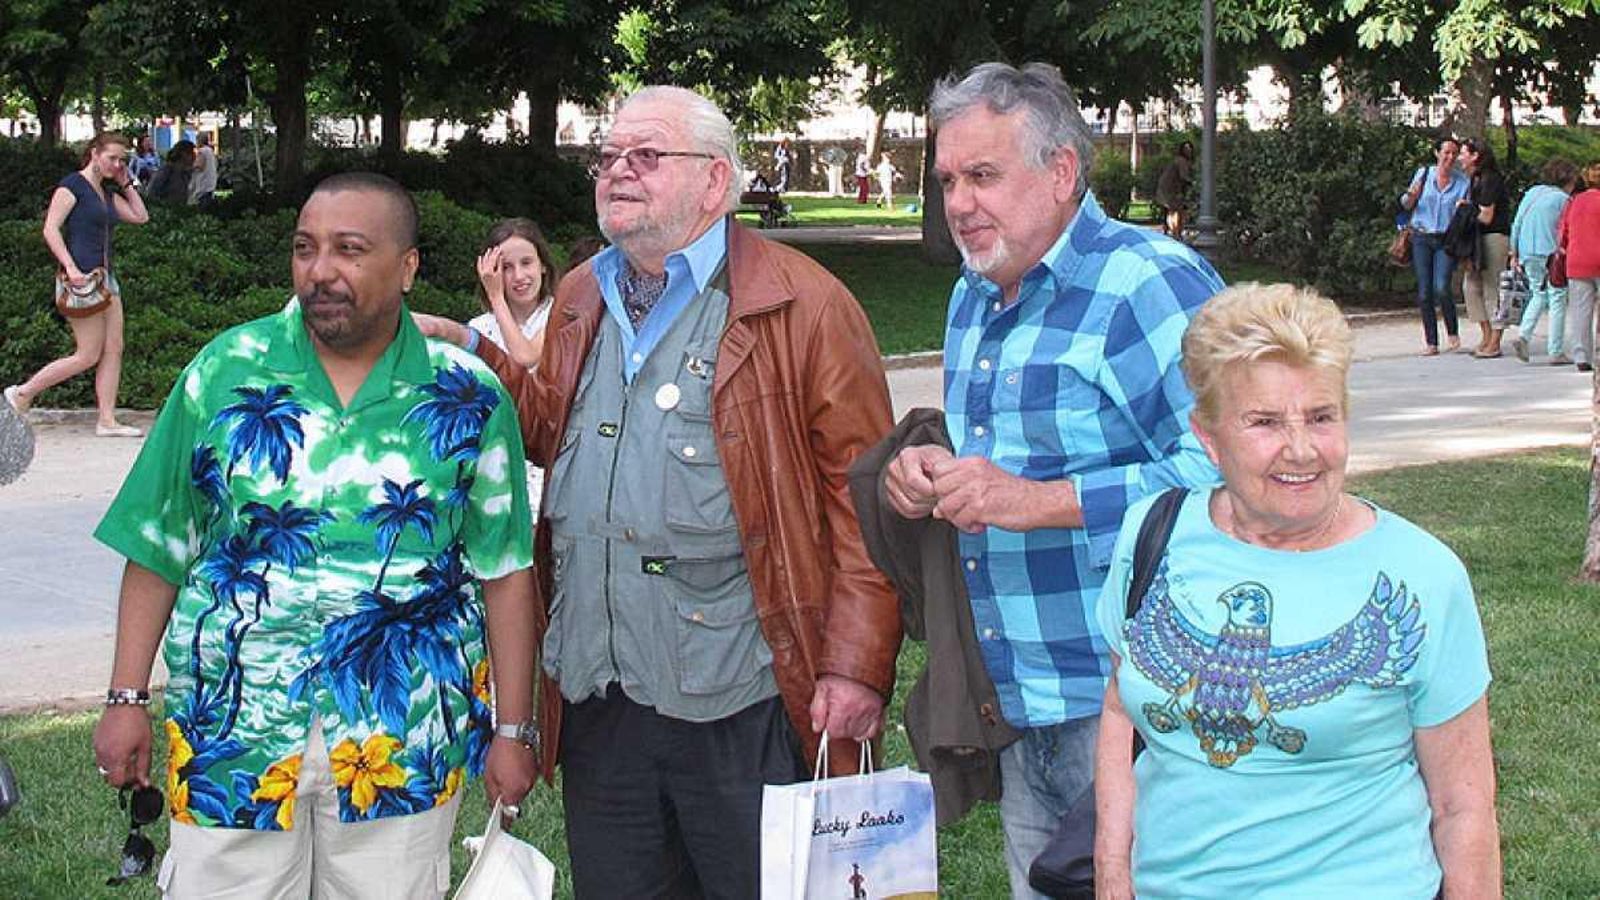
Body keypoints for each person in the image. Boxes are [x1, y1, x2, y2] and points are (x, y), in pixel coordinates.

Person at [416, 86, 901, 897]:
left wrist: (853, 668)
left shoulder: (803, 305)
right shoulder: (581, 293)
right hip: (600, 700)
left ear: (715, 181)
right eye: (609, 158)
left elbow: (866, 503)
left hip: (742, 700)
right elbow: (551, 432)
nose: (617, 172)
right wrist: (473, 347)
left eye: (646, 156)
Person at [89, 173, 539, 899]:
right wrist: (125, 697)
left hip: (405, 732)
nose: (320, 270)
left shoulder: (467, 395)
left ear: (408, 267)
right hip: (232, 729)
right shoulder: (224, 373)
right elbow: (158, 543)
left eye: (349, 249)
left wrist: (513, 731)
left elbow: (506, 570)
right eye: (305, 248)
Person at [882, 62, 1223, 900]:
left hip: (1139, 703)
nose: (959, 202)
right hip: (1020, 695)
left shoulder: (1148, 282)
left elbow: (1228, 479)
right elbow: (995, 461)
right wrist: (926, 474)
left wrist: (1036, 503)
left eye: (983, 176)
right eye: (950, 180)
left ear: (1062, 171)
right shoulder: (975, 292)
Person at [1093, 282, 1500, 898]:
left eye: (1320, 416)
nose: (1302, 450)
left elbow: (1463, 808)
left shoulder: (1422, 575)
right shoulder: (1153, 534)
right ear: (1208, 437)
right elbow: (1122, 708)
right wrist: (1112, 874)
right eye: (1264, 422)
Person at [5, 132, 149, 437]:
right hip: (81, 279)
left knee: (114, 348)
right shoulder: (73, 185)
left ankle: (107, 420)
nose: (116, 164)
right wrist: (70, 266)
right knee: (87, 354)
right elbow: (51, 228)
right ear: (94, 153)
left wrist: (126, 182)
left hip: (106, 279)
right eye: (112, 158)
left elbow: (140, 216)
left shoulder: (107, 192)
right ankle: (22, 393)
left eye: (122, 159)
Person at [468, 217, 561, 519]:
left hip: (544, 460)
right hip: (490, 460)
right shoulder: (478, 329)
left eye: (527, 263)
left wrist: (496, 296)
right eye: (506, 268)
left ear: (543, 265)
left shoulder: (564, 315)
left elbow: (524, 358)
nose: (519, 276)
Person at [1399, 137, 1470, 355]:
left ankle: (1452, 331)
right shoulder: (1424, 174)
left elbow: (1466, 213)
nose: (1449, 158)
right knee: (1424, 292)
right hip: (1422, 236)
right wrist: (1412, 195)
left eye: (1454, 153)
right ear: (1437, 154)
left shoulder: (1462, 182)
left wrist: (1464, 208)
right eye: (1446, 152)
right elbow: (1405, 204)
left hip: (1446, 239)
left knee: (1441, 286)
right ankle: (1431, 341)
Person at [1508, 157, 1580, 365]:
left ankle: (1524, 335)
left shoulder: (1533, 193)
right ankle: (1555, 350)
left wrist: (1514, 252)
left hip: (1526, 250)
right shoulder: (1563, 200)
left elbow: (1517, 222)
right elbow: (1567, 229)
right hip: (1550, 252)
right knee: (1557, 296)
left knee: (1539, 294)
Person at [1460, 138, 1512, 357]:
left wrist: (1465, 210)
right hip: (1476, 238)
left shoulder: (1490, 179)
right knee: (1471, 286)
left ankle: (1495, 340)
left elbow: (1486, 216)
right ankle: (1486, 333)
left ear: (1475, 156)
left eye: (1463, 153)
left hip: (1492, 237)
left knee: (1492, 288)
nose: (1460, 157)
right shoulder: (1474, 179)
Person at [1562, 162, 1600, 373]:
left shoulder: (1575, 201)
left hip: (1577, 261)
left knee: (1580, 310)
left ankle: (1581, 355)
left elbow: (1564, 231)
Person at [1154, 141, 1195, 239]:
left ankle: (1173, 232)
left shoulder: (1178, 160)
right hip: (1170, 190)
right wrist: (1194, 183)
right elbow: (1184, 177)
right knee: (1177, 211)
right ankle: (1176, 233)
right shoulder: (1181, 161)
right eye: (1186, 149)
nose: (1188, 152)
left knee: (1172, 211)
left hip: (1166, 189)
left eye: (1190, 149)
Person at [146, 140, 195, 206]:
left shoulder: (186, 173)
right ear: (183, 154)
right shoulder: (167, 170)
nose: (194, 156)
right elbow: (152, 192)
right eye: (191, 153)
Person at [189, 131, 218, 206]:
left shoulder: (202, 151)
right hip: (211, 183)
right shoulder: (210, 151)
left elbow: (199, 166)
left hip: (203, 184)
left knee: (201, 205)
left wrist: (189, 167)